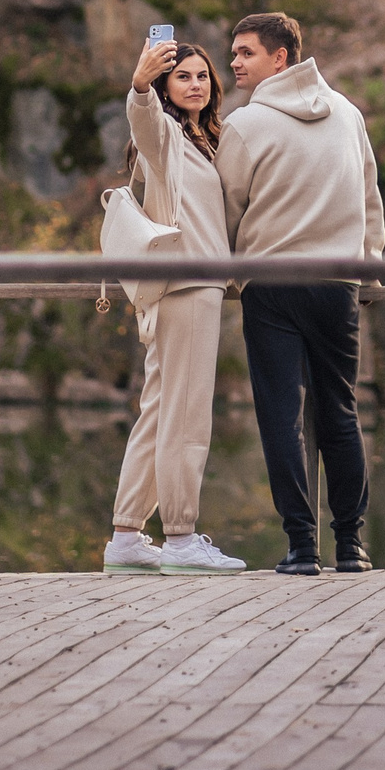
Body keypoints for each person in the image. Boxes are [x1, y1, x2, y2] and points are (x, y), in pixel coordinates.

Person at [217, 11, 385, 575]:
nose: (234, 62)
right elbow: (369, 201)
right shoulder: (348, 113)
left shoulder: (245, 124)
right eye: (234, 53)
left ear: (280, 57)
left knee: (281, 415)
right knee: (340, 411)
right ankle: (352, 545)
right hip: (338, 283)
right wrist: (370, 270)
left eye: (245, 52)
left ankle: (301, 547)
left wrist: (233, 270)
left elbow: (227, 208)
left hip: (272, 284)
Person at [102, 39, 247, 575]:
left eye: (202, 76)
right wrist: (140, 85)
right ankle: (182, 538)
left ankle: (126, 536)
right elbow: (144, 120)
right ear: (166, 87)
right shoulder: (164, 135)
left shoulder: (205, 139)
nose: (195, 84)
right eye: (182, 76)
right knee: (185, 415)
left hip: (187, 288)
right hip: (188, 286)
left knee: (161, 411)